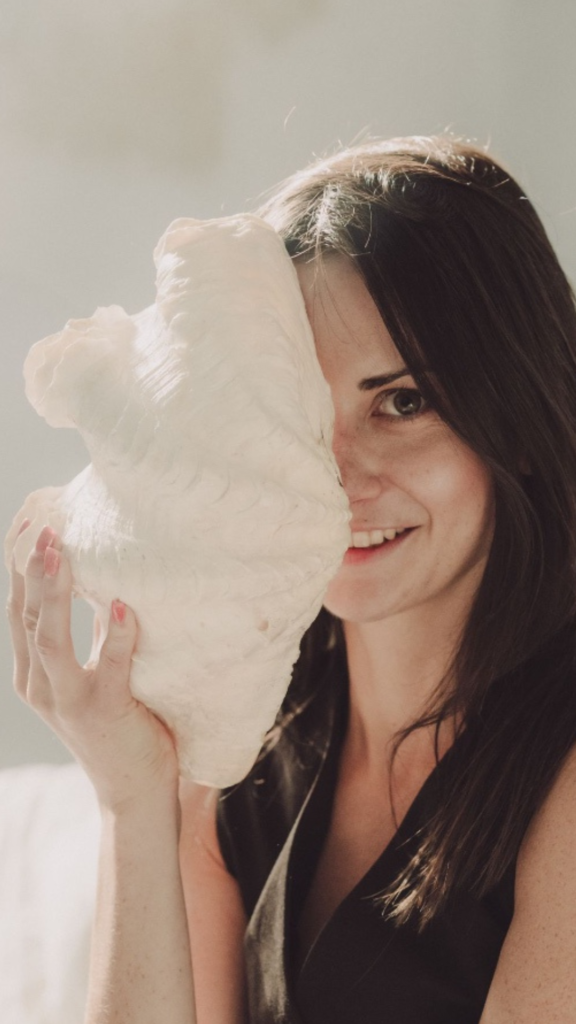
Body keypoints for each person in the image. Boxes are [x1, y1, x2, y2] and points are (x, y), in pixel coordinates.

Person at [8, 134, 576, 1024]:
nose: (337, 478)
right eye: (298, 412)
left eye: (403, 402)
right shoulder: (241, 745)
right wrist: (132, 798)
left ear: (519, 416)